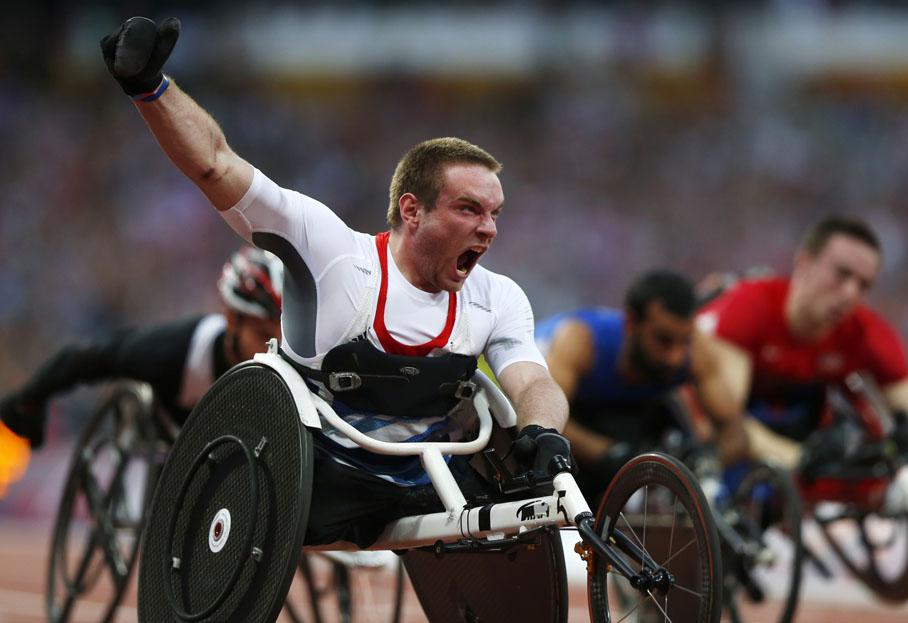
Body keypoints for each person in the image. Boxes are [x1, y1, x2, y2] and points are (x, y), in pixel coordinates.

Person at [98, 16, 572, 548]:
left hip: (429, 484)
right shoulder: (331, 251)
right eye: (469, 209)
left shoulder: (499, 296)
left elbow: (532, 383)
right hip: (311, 476)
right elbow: (216, 165)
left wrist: (542, 432)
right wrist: (151, 89)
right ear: (411, 211)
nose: (488, 227)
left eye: (494, 213)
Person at [696, 215, 908, 508]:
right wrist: (801, 458)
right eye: (842, 275)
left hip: (785, 427)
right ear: (804, 262)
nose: (850, 294)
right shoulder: (748, 307)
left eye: (863, 285)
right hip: (703, 426)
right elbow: (724, 426)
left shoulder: (865, 332)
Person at [0, 246, 283, 448]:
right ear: (232, 319)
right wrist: (30, 399)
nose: (274, 349)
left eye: (283, 338)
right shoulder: (171, 350)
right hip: (156, 438)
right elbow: (88, 357)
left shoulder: (287, 368)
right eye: (263, 334)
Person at [536, 269, 749, 503]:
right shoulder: (580, 341)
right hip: (565, 409)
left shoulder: (696, 350)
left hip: (632, 413)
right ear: (631, 324)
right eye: (664, 340)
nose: (676, 357)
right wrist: (610, 453)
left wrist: (706, 462)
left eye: (684, 341)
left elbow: (737, 433)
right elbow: (546, 425)